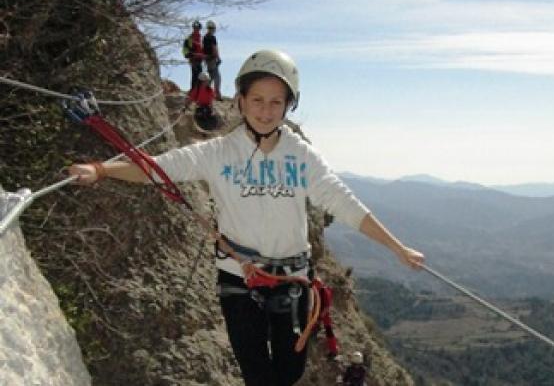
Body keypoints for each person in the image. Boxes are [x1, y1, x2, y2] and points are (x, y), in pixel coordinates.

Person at [68, 49, 424, 386]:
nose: (266, 111)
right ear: (240, 101)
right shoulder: (220, 152)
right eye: (257, 100)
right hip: (240, 280)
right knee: (257, 377)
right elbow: (160, 169)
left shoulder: (302, 157)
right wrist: (102, 170)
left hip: (293, 279)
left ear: (288, 106)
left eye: (276, 102)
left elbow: (346, 204)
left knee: (288, 373)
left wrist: (397, 247)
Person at [202, 20, 221, 100]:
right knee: (217, 77)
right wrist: (218, 58)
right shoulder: (212, 38)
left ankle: (206, 94)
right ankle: (216, 95)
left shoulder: (205, 38)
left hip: (207, 59)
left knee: (211, 76)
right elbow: (214, 48)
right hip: (212, 59)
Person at [182, 20, 205, 89]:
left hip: (200, 60)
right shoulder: (189, 39)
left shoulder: (201, 39)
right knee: (195, 75)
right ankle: (193, 91)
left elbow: (204, 49)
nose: (197, 29)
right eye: (195, 28)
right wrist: (190, 55)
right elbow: (185, 50)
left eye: (198, 28)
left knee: (200, 76)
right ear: (193, 28)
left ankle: (199, 92)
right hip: (193, 59)